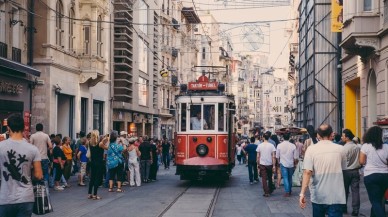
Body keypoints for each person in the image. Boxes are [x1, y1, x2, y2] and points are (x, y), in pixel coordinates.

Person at [0, 114, 43, 217]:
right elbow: (39, 175)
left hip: (5, 198)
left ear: (8, 128)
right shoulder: (33, 149)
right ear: (23, 128)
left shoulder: (1, 147)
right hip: (26, 198)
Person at [299, 124, 346, 217]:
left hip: (318, 195)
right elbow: (344, 169)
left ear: (318, 136)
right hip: (336, 195)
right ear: (332, 134)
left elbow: (307, 172)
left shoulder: (311, 150)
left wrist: (302, 193)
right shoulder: (341, 149)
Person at [359, 126, 388, 217]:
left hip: (371, 176)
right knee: (380, 199)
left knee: (375, 201)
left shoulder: (366, 146)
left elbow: (361, 161)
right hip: (385, 176)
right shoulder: (386, 147)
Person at [341, 129, 361, 216]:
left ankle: (344, 208)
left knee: (344, 191)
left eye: (343, 136)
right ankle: (355, 210)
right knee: (355, 191)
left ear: (347, 137)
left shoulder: (344, 148)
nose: (342, 137)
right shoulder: (357, 147)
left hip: (346, 171)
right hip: (356, 170)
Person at [276, 133, 298, 197]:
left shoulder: (279, 145)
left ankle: (287, 191)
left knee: (285, 177)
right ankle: (289, 190)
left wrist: (278, 162)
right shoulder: (293, 146)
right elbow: (295, 157)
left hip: (283, 163)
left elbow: (277, 156)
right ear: (289, 138)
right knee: (290, 177)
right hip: (291, 163)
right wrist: (295, 164)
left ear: (283, 137)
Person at [256, 133, 276, 197]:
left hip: (262, 163)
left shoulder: (260, 145)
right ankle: (270, 190)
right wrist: (274, 165)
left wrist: (258, 164)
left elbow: (258, 156)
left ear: (263, 138)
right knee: (270, 177)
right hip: (269, 163)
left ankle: (266, 192)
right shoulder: (272, 145)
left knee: (264, 178)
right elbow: (273, 156)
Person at [88, 130, 105, 200]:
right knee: (97, 178)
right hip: (99, 162)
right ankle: (95, 194)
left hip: (92, 162)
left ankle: (89, 194)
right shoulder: (100, 143)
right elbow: (107, 148)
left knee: (92, 178)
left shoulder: (89, 143)